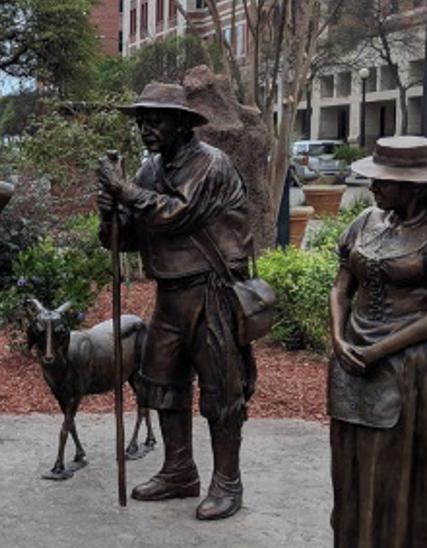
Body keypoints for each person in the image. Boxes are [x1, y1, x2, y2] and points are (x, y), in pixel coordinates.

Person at [97, 82, 255, 520]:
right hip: (170, 291)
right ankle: (179, 469)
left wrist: (124, 191)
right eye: (142, 120)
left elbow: (176, 213)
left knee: (221, 391)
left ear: (183, 125)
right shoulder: (150, 169)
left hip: (211, 290)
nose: (146, 127)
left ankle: (228, 481)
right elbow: (127, 237)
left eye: (157, 119)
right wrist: (109, 211)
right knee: (163, 385)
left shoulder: (211, 164)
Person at [328, 136, 427, 547]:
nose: (373, 187)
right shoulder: (365, 222)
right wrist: (337, 337)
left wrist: (380, 350)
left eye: (384, 180)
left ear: (415, 185)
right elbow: (340, 288)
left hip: (424, 366)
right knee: (356, 463)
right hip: (356, 358)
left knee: (411, 466)